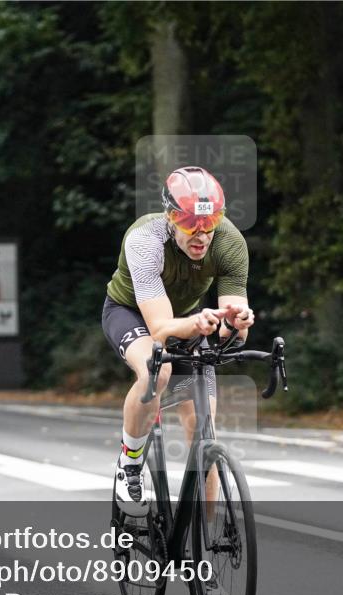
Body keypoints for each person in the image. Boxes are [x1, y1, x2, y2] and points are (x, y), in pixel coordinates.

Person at [103, 166, 254, 517]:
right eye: (189, 224)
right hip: (132, 314)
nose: (201, 235)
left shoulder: (230, 243)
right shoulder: (145, 240)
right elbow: (160, 330)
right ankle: (130, 463)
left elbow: (232, 329)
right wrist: (196, 325)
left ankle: (203, 548)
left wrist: (235, 323)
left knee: (204, 435)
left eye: (209, 223)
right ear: (171, 217)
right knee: (159, 371)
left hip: (188, 318)